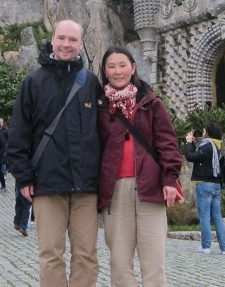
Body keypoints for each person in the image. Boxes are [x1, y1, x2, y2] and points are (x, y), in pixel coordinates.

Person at [7, 19, 102, 287]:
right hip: (48, 184)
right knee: (51, 255)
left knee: (86, 255)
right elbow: (18, 136)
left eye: (73, 40)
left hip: (85, 186)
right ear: (52, 40)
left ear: (81, 44)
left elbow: (104, 132)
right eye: (62, 38)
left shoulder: (91, 82)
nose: (66, 44)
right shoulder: (34, 82)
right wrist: (24, 178)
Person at [97, 46, 183, 285]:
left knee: (154, 264)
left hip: (151, 187)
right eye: (111, 66)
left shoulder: (151, 102)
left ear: (133, 67)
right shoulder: (99, 107)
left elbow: (167, 143)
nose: (117, 71)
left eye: (122, 65)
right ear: (104, 71)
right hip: (115, 190)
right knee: (120, 264)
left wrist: (169, 180)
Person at [184, 122, 225, 255]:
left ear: (208, 133)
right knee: (217, 216)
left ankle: (206, 246)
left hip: (205, 185)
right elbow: (198, 156)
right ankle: (224, 247)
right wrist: (192, 144)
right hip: (216, 185)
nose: (202, 132)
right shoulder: (216, 145)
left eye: (204, 131)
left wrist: (187, 143)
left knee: (204, 216)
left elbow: (191, 157)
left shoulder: (208, 146)